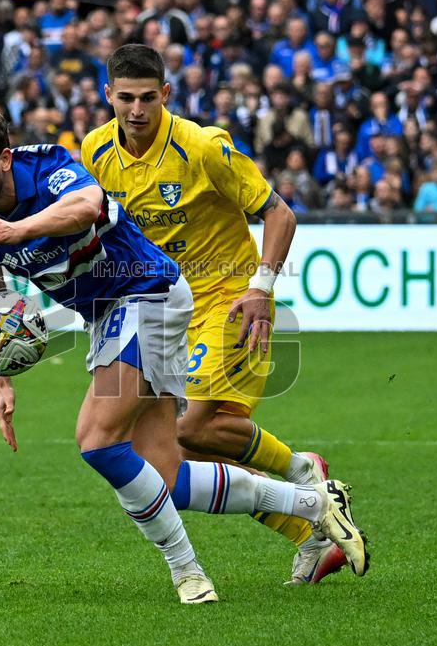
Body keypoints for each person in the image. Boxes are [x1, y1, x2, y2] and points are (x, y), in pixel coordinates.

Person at [0, 105, 369, 603]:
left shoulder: (48, 166)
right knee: (164, 474)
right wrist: (1, 380)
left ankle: (187, 573)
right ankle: (313, 504)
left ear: (5, 159)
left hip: (148, 292)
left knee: (97, 440)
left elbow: (87, 205)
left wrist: (20, 229)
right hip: (107, 315)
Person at [81, 44, 365, 585]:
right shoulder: (96, 151)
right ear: (107, 96)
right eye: (125, 98)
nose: (136, 110)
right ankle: (309, 527)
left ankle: (304, 473)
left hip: (229, 298)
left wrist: (261, 288)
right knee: (185, 445)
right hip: (161, 308)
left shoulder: (203, 147)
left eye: (147, 98)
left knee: (192, 429)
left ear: (165, 94)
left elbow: (279, 212)